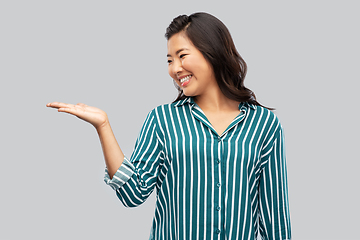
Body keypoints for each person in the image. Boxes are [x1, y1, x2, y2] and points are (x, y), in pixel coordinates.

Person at [47, 12, 291, 240]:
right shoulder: (162, 120)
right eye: (169, 60)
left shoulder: (264, 124)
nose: (175, 69)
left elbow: (274, 217)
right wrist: (103, 126)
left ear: (212, 52)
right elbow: (132, 194)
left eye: (182, 56)